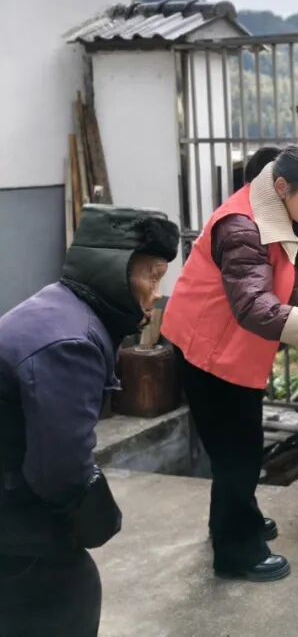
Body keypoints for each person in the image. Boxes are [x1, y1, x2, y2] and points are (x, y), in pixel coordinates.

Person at [161, 141, 298, 582]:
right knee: (237, 453)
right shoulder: (241, 227)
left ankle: (237, 518)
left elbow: (287, 259)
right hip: (209, 351)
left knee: (239, 449)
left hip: (233, 348)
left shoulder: (272, 207)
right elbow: (253, 304)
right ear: (283, 187)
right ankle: (236, 552)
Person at [0, 205, 179, 636]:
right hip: (14, 522)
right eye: (152, 277)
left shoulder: (60, 305)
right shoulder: (72, 343)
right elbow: (60, 470)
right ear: (115, 270)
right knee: (69, 597)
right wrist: (99, 513)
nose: (156, 295)